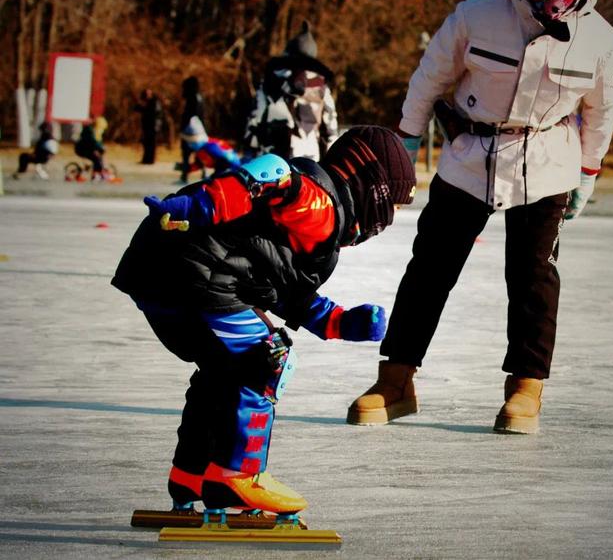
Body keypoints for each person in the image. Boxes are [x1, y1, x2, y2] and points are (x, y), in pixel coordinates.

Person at [346, 0, 613, 434]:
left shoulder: (601, 41)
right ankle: (395, 381)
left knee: (533, 278)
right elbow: (430, 77)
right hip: (470, 157)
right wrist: (407, 142)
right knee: (429, 268)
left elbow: (601, 114)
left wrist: (588, 172)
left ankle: (525, 388)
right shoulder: (478, 14)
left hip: (546, 162)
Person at [111, 126, 416, 514]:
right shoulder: (322, 206)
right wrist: (201, 204)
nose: (391, 218)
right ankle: (237, 476)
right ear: (376, 189)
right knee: (266, 357)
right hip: (197, 275)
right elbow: (274, 175)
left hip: (160, 274)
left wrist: (342, 322)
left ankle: (192, 474)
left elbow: (286, 293)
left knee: (223, 372)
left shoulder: (307, 229)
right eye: (397, 205)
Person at [244, 21, 338, 161]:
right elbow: (330, 132)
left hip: (270, 160)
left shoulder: (269, 81)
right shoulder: (321, 87)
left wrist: (250, 153)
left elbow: (253, 123)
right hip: (308, 161)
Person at [179, 76, 206, 183]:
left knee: (187, 152)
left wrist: (184, 126)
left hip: (191, 130)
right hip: (198, 129)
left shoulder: (192, 98)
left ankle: (185, 174)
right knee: (198, 152)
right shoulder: (199, 97)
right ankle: (201, 172)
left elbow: (190, 115)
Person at [75, 116, 110, 181]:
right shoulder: (89, 130)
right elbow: (92, 142)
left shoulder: (96, 132)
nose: (102, 130)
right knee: (96, 159)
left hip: (88, 149)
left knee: (98, 158)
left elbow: (98, 142)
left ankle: (96, 173)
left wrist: (101, 147)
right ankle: (95, 175)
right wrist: (99, 147)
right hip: (82, 149)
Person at [134, 88, 163, 164]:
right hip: (147, 125)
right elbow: (137, 108)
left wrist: (144, 107)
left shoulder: (154, 102)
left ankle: (150, 160)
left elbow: (153, 113)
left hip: (153, 125)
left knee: (151, 143)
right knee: (146, 143)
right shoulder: (146, 102)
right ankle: (146, 159)